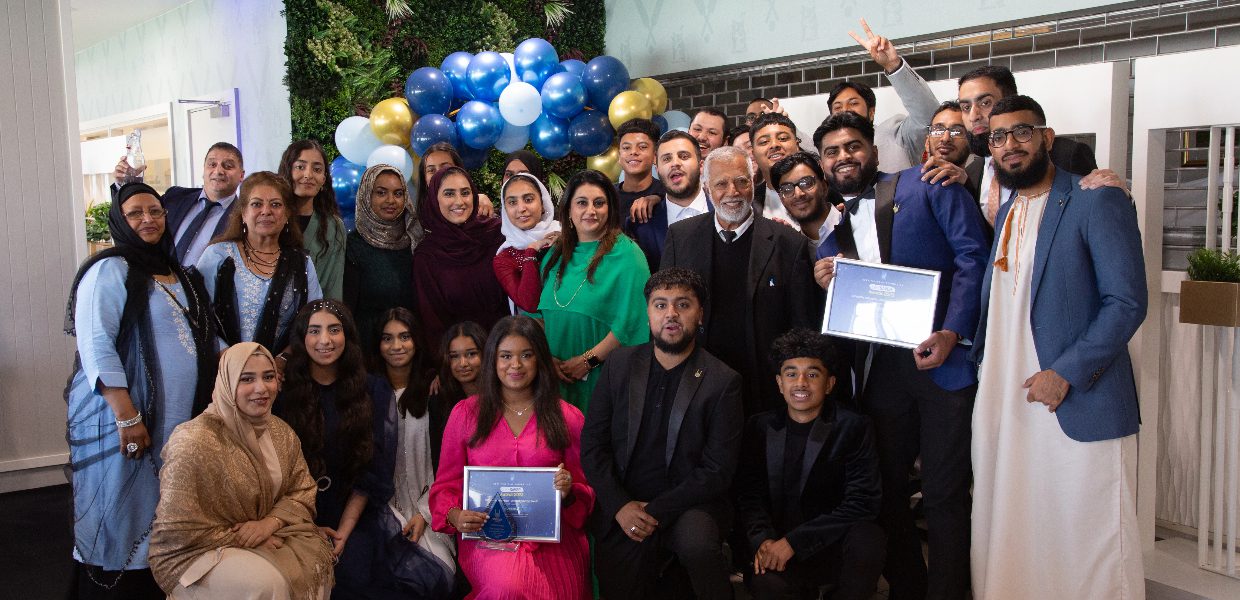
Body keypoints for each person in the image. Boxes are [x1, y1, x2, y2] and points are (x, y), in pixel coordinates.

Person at [970, 95, 1147, 600]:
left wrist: (1065, 371)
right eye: (998, 137)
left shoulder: (1096, 199)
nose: (1009, 145)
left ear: (1047, 138)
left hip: (1073, 395)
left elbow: (1126, 302)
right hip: (1006, 399)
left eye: (1022, 133)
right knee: (1018, 520)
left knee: (1085, 531)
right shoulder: (1007, 211)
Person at [813, 111, 989, 600]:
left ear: (871, 148)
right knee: (887, 492)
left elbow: (974, 258)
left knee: (944, 495)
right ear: (824, 164)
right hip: (882, 375)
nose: (843, 157)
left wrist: (953, 330)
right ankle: (909, 588)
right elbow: (835, 289)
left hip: (943, 363)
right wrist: (824, 278)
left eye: (852, 146)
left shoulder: (930, 182)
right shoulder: (835, 231)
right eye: (832, 152)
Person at [63, 182, 216, 599]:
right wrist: (127, 416)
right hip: (125, 421)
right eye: (135, 213)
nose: (148, 219)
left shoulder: (178, 272)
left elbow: (205, 337)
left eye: (155, 211)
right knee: (122, 511)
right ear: (119, 221)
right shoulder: (109, 270)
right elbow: (96, 344)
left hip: (177, 424)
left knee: (164, 515)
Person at [581, 267, 743, 600]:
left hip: (688, 504)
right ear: (648, 313)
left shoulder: (722, 381)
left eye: (683, 304)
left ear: (700, 315)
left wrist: (654, 510)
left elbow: (717, 471)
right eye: (660, 304)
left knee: (696, 543)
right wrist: (621, 506)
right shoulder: (619, 366)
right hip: (624, 501)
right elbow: (593, 447)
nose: (671, 313)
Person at [148, 343, 335, 599]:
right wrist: (244, 539)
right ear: (226, 382)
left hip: (267, 533)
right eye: (246, 379)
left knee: (317, 559)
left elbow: (301, 488)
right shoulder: (193, 441)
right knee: (266, 584)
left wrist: (270, 523)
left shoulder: (280, 432)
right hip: (195, 552)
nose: (261, 388)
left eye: (268, 377)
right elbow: (175, 532)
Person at [429, 315, 595, 599]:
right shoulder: (466, 414)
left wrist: (568, 492)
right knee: (509, 587)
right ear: (492, 360)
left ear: (540, 360)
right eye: (506, 356)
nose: (515, 365)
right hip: (490, 539)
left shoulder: (567, 417)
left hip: (555, 540)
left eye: (526, 355)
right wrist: (455, 516)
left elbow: (586, 492)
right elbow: (446, 485)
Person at [661, 145, 821, 417]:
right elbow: (665, 311)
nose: (732, 192)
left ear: (753, 182)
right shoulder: (680, 236)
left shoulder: (789, 245)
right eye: (721, 183)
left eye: (741, 181)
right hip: (696, 384)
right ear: (707, 188)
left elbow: (802, 328)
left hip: (764, 390)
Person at [735, 329, 885, 600]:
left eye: (812, 374)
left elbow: (863, 502)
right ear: (780, 383)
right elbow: (749, 497)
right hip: (777, 546)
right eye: (791, 374)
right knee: (768, 587)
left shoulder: (853, 427)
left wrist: (795, 543)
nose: (801, 383)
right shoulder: (759, 427)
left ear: (829, 384)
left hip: (830, 545)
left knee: (869, 538)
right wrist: (764, 541)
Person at [275, 299, 401, 597]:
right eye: (314, 331)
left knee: (352, 577)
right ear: (301, 339)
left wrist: (344, 531)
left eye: (334, 330)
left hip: (353, 511)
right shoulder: (283, 393)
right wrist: (306, 526)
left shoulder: (373, 390)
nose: (325, 340)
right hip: (295, 514)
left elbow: (374, 470)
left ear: (348, 336)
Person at [955, 65, 1125, 226]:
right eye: (966, 107)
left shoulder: (1066, 155)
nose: (973, 115)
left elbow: (1099, 214)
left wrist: (1118, 195)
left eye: (985, 103)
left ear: (1010, 101)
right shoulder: (972, 173)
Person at [538, 169, 651, 411]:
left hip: (601, 379)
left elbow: (632, 322)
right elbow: (537, 315)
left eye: (599, 203)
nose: (591, 210)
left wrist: (588, 361)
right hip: (553, 379)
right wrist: (547, 359)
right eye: (581, 203)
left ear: (610, 209)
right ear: (568, 210)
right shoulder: (554, 254)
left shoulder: (628, 255)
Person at [375, 309, 457, 598]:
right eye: (387, 338)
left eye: (404, 337)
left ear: (417, 341)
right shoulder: (368, 394)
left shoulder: (435, 392)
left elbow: (448, 464)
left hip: (430, 511)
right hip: (381, 513)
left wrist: (424, 514)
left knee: (434, 577)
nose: (396, 346)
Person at [197, 172, 322, 355]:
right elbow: (199, 317)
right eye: (256, 204)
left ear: (287, 214)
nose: (266, 211)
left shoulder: (301, 263)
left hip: (281, 373)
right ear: (243, 213)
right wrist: (234, 361)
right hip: (225, 369)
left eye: (276, 205)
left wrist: (283, 360)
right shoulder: (218, 255)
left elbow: (313, 320)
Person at [413, 166, 510, 346]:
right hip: (461, 360)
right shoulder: (427, 256)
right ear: (435, 199)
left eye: (465, 193)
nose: (459, 201)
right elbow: (432, 322)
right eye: (449, 194)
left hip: (505, 351)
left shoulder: (497, 234)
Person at [830, 19, 941, 173]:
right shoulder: (826, 149)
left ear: (871, 112)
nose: (845, 110)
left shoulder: (896, 134)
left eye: (853, 103)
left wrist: (893, 65)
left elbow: (929, 117)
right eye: (837, 107)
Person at [112, 142, 245, 266]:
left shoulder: (245, 219)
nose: (218, 171)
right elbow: (133, 215)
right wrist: (124, 184)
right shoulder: (175, 197)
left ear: (241, 175)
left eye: (228, 166)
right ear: (203, 170)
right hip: (155, 284)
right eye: (212, 164)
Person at [344, 164, 422, 355]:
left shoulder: (415, 240)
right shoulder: (353, 246)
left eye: (398, 193)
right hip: (368, 351)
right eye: (381, 193)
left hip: (411, 352)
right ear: (367, 195)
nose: (391, 200)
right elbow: (347, 311)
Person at [626, 130, 712, 269]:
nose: (675, 163)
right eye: (666, 159)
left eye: (684, 156)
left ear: (701, 165)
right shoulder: (639, 225)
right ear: (657, 169)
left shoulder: (725, 212)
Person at [278, 140, 346, 300]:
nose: (308, 175)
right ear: (287, 171)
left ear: (323, 179)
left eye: (317, 169)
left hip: (313, 318)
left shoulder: (334, 227)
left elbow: (333, 288)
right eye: (300, 167)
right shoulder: (270, 219)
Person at [493, 172, 560, 313]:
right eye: (512, 202)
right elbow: (529, 304)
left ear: (542, 204)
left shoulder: (564, 234)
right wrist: (531, 251)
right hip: (537, 332)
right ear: (505, 210)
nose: (521, 208)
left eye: (528, 199)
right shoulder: (504, 259)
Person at [750, 113, 821, 230]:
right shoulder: (750, 203)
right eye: (764, 142)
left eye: (782, 138)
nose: (774, 145)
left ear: (797, 145)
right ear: (753, 154)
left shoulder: (824, 190)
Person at [769, 152, 840, 248]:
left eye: (806, 183)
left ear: (824, 186)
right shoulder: (793, 248)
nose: (798, 194)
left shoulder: (854, 220)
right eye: (787, 189)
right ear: (781, 198)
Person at [919, 101, 980, 201]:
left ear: (971, 142)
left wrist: (967, 185)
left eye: (956, 131)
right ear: (927, 142)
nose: (945, 138)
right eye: (938, 130)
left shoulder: (982, 185)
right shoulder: (904, 182)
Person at [418, 142, 495, 219]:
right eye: (431, 170)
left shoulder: (478, 207)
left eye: (445, 167)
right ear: (424, 177)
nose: (438, 173)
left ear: (458, 169)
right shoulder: (418, 220)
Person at [615, 118, 666, 223]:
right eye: (626, 148)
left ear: (655, 156)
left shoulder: (668, 193)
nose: (633, 152)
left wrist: (659, 199)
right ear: (619, 156)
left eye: (642, 147)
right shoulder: (607, 195)